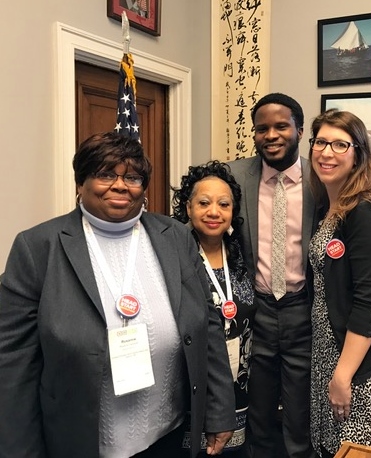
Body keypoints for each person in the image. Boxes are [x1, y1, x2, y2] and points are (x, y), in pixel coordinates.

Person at [0, 132, 236, 458]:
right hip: (79, 441)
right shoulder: (38, 248)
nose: (121, 186)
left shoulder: (175, 237)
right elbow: (12, 365)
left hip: (167, 435)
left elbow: (206, 324)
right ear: (80, 182)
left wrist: (219, 410)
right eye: (105, 174)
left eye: (133, 177)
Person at [307, 108, 371, 457]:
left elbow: (370, 301)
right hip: (331, 354)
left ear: (358, 154)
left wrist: (343, 375)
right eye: (321, 142)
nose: (327, 152)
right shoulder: (330, 208)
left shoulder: (363, 211)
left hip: (359, 368)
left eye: (340, 144)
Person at [228, 93, 318, 458]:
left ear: (298, 129)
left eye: (281, 126)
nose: (271, 135)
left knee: (301, 411)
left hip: (304, 309)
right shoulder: (234, 176)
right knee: (258, 411)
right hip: (257, 310)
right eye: (262, 128)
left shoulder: (321, 177)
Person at [172, 160, 256, 457]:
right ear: (188, 207)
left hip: (239, 388)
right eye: (204, 203)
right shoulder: (174, 257)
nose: (213, 212)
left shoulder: (241, 255)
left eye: (224, 204)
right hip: (193, 388)